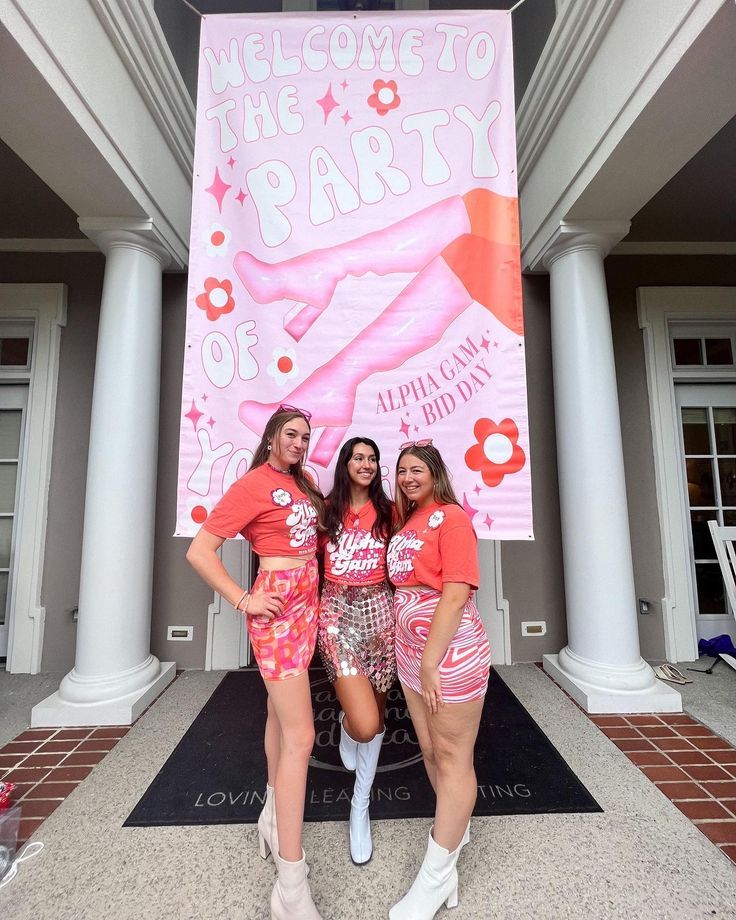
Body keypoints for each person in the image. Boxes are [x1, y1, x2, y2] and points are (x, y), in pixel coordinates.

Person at [186, 406, 324, 920]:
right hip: (279, 607)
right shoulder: (251, 485)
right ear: (270, 438)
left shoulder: (304, 482)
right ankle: (292, 882)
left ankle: (271, 811)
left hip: (309, 602)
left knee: (278, 714)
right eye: (290, 434)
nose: (299, 442)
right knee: (303, 736)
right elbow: (201, 552)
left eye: (305, 436)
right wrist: (244, 599)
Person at [386, 441, 490, 920]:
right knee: (429, 750)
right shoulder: (405, 522)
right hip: (411, 654)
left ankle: (436, 877)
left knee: (452, 755)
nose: (409, 478)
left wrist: (430, 661)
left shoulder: (452, 518)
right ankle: (455, 828)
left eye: (418, 470)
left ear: (436, 474)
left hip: (447, 655)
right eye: (403, 471)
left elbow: (454, 592)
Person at [317, 436, 396, 865]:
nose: (366, 464)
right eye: (357, 457)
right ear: (345, 463)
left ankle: (359, 808)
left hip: (381, 617)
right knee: (364, 724)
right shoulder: (325, 510)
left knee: (379, 716)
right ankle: (349, 728)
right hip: (336, 616)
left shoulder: (390, 511)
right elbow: (300, 561)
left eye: (372, 458)